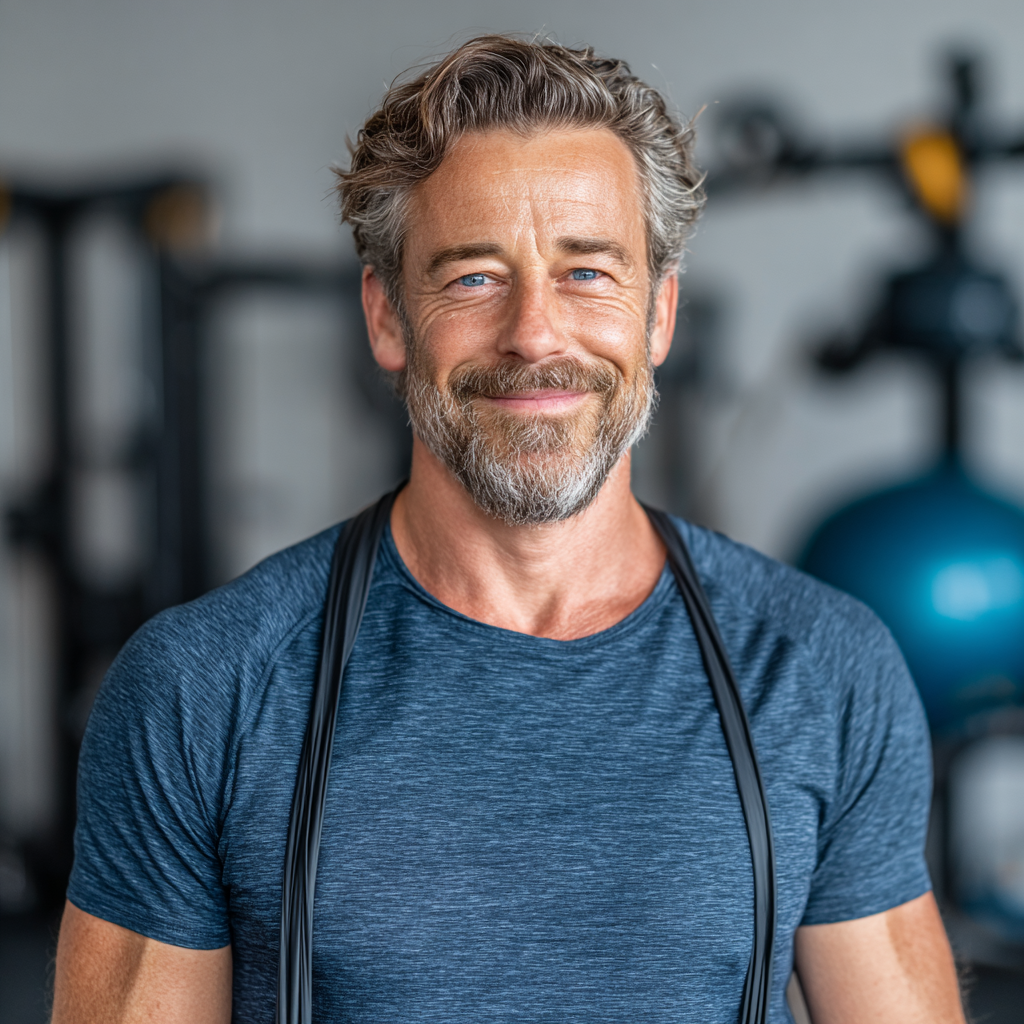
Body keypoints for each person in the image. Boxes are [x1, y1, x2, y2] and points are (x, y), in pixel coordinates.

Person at [53, 35, 965, 1024]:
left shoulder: (821, 668)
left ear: (658, 314)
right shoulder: (201, 689)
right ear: (388, 317)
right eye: (474, 277)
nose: (535, 332)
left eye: (586, 273)